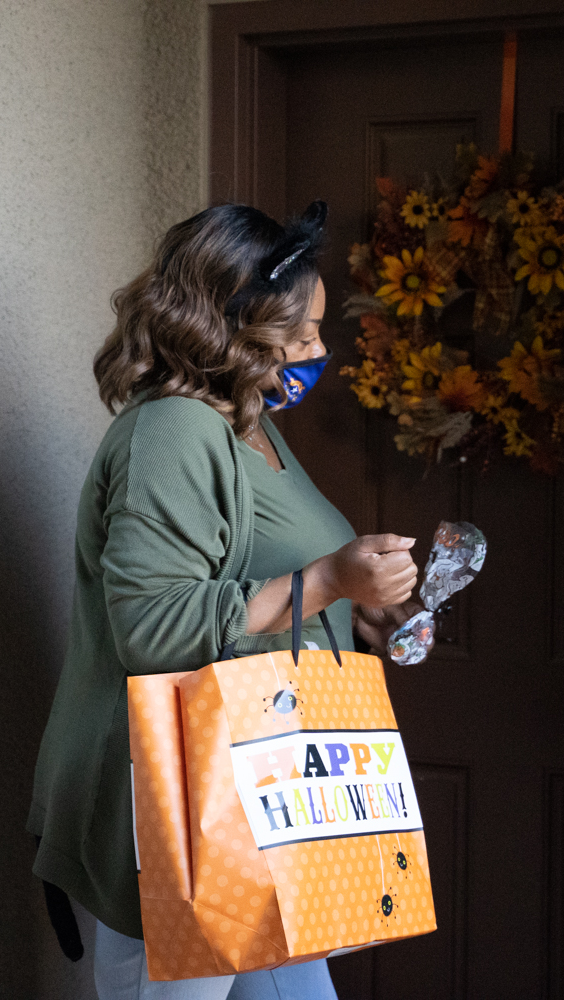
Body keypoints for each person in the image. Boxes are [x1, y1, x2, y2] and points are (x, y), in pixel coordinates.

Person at [28, 201, 421, 1000]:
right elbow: (152, 628)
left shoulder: (246, 424)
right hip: (184, 805)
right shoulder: (172, 432)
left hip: (260, 793)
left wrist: (352, 610)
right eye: (299, 333)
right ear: (225, 325)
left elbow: (262, 574)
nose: (320, 351)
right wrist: (328, 582)